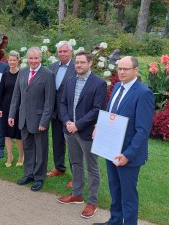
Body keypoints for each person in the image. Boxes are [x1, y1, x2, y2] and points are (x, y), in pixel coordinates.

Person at [93, 56, 155, 225]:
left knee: (128, 195)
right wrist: (99, 127)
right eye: (119, 68)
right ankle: (115, 221)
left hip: (128, 154)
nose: (121, 72)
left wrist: (128, 154)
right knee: (115, 190)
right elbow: (110, 113)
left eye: (125, 69)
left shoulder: (143, 93)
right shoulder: (117, 87)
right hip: (111, 149)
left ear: (135, 70)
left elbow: (143, 130)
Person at [57, 51, 107, 219]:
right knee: (76, 164)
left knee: (92, 167)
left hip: (86, 133)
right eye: (76, 62)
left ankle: (92, 201)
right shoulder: (70, 81)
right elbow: (62, 103)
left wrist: (77, 125)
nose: (78, 65)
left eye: (82, 62)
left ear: (90, 63)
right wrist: (68, 123)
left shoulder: (98, 84)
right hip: (69, 131)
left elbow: (97, 109)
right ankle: (77, 194)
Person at [8, 47, 55, 192]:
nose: (33, 61)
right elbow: (16, 95)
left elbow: (49, 101)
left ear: (41, 58)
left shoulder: (48, 74)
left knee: (40, 150)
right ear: (26, 59)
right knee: (28, 147)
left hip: (39, 120)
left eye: (36, 58)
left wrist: (44, 121)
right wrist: (11, 114)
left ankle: (39, 177)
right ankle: (29, 173)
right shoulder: (22, 72)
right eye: (31, 58)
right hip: (23, 118)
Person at [47, 41, 76, 180]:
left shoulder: (76, 67)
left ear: (71, 52)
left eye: (65, 51)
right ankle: (59, 168)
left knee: (72, 144)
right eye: (60, 51)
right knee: (57, 141)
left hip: (71, 113)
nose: (62, 54)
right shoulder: (52, 67)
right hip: (55, 111)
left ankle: (76, 175)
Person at [0, 50, 23, 167]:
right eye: (10, 60)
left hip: (19, 107)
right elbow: (1, 92)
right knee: (7, 134)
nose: (12, 62)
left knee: (18, 134)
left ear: (18, 61)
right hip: (6, 106)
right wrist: (0, 109)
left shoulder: (22, 75)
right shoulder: (5, 75)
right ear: (7, 61)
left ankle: (21, 156)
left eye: (14, 60)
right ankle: (9, 156)